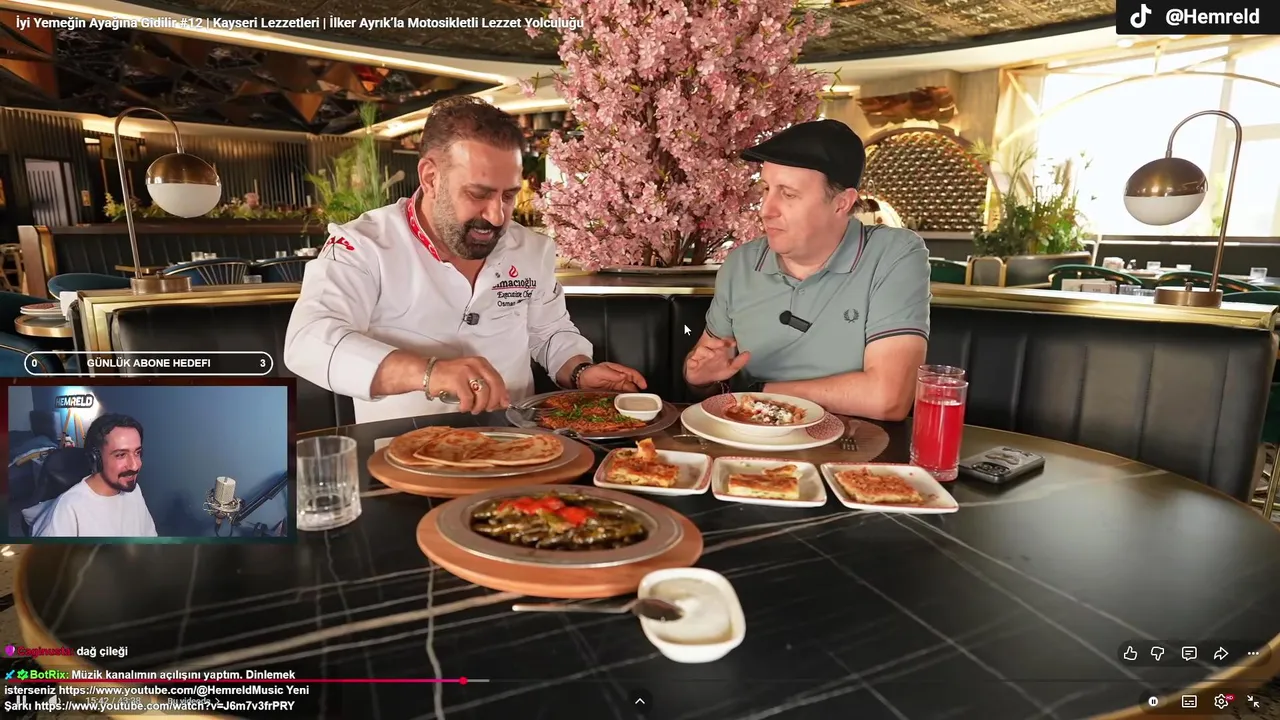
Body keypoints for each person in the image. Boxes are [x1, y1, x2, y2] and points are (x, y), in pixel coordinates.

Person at [285, 96, 646, 423]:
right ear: (431, 178)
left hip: (519, 446)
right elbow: (308, 340)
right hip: (402, 452)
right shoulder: (363, 245)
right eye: (478, 194)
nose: (497, 216)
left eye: (508, 196)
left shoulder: (531, 249)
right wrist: (429, 373)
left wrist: (580, 371)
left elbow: (549, 333)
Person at [683, 119, 930, 421]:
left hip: (853, 446)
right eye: (766, 190)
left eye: (788, 194)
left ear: (841, 203)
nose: (765, 210)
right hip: (746, 441)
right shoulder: (741, 264)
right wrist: (701, 379)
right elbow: (706, 368)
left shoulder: (893, 254)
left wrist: (760, 392)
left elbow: (888, 399)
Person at [31, 413, 157, 537]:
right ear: (95, 458)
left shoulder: (134, 491)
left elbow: (149, 537)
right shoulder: (68, 509)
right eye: (121, 455)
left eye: (137, 453)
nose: (135, 466)